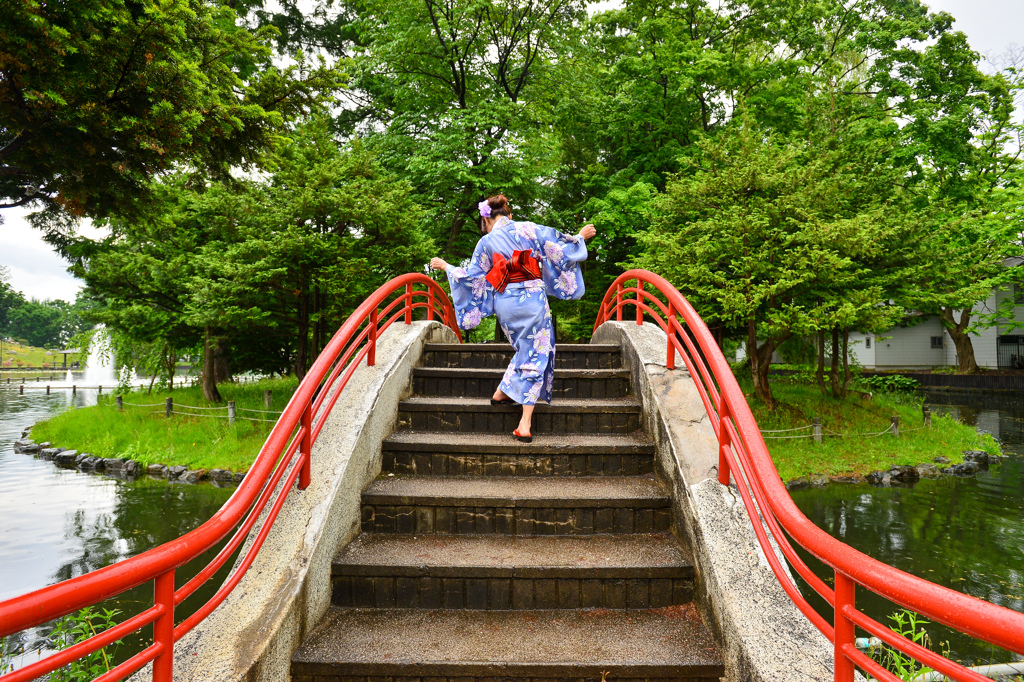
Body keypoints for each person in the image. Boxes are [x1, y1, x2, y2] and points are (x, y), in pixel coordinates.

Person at [429, 194, 596, 442]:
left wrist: (447, 267)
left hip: (505, 304)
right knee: (537, 352)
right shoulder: (527, 229)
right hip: (532, 301)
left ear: (487, 220)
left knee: (525, 348)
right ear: (508, 215)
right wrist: (580, 237)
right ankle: (525, 423)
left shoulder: (485, 242)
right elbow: (557, 250)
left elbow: (471, 278)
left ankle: (501, 392)